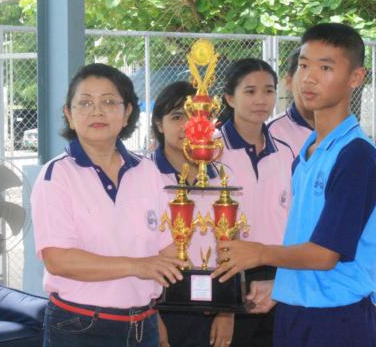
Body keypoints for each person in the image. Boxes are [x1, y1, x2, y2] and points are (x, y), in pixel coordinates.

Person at [213, 23, 376, 347]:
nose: (309, 78)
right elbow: (302, 240)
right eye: (304, 66)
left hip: (338, 320)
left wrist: (258, 253)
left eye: (325, 68)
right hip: (295, 314)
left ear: (356, 77)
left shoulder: (356, 155)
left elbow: (325, 254)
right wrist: (282, 287)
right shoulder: (307, 151)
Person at [30, 63, 184, 347]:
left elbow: (167, 249)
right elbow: (58, 260)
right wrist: (137, 266)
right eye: (85, 103)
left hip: (143, 323)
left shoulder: (147, 171)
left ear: (127, 114)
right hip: (80, 327)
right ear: (69, 114)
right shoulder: (56, 176)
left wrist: (210, 284)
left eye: (109, 102)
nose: (97, 111)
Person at [216, 58, 296, 347]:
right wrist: (223, 305)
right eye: (250, 91)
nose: (261, 100)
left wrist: (286, 274)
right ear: (230, 98)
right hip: (230, 273)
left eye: (269, 91)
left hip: (279, 271)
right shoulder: (211, 152)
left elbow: (293, 216)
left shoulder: (286, 153)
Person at [150, 81, 233, 347]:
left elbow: (233, 246)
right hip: (159, 305)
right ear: (159, 124)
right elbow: (134, 248)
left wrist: (227, 310)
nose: (188, 126)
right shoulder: (141, 175)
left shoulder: (223, 177)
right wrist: (151, 315)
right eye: (177, 117)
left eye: (196, 118)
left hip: (213, 307)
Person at [267, 47, 314, 155]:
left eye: (325, 69)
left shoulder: (349, 131)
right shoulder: (270, 135)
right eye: (304, 69)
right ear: (289, 82)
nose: (313, 81)